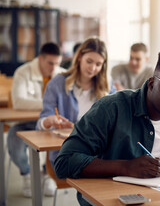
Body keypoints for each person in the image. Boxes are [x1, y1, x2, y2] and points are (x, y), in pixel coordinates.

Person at [54, 50, 160, 205]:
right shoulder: (111, 108)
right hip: (113, 199)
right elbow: (65, 161)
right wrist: (126, 167)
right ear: (152, 83)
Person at [36, 37, 112, 168]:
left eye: (98, 64)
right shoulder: (56, 84)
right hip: (67, 154)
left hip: (99, 153)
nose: (93, 68)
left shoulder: (107, 87)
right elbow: (40, 124)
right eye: (89, 61)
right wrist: (49, 121)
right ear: (79, 57)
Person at [7, 42, 65, 197]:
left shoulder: (63, 74)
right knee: (14, 143)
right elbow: (19, 101)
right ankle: (27, 173)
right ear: (40, 58)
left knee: (62, 142)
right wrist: (49, 104)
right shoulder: (22, 72)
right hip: (26, 123)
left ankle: (48, 175)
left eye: (58, 64)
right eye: (50, 63)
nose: (54, 68)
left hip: (53, 125)